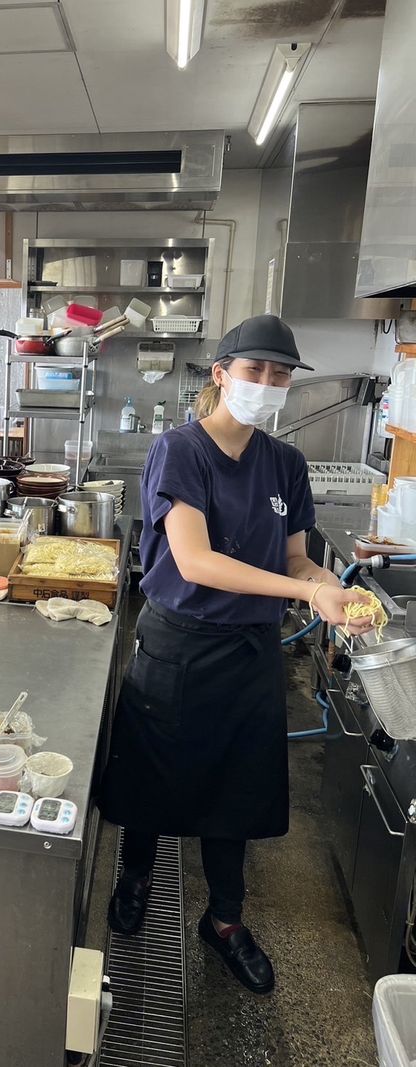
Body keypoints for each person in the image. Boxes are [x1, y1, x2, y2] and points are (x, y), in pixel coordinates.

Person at [98, 315, 374, 995]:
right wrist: (303, 594)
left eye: (281, 375)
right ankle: (136, 874)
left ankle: (224, 920)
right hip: (178, 644)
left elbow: (296, 559)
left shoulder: (286, 464)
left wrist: (330, 590)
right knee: (153, 778)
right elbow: (194, 561)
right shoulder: (181, 450)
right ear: (221, 373)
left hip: (249, 652)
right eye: (256, 371)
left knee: (235, 789)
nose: (268, 385)